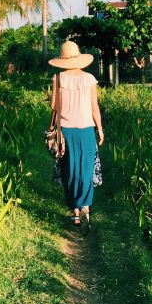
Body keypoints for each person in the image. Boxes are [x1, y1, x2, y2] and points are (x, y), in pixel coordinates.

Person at [47, 40, 104, 227]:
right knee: (86, 169)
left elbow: (53, 107)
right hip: (86, 129)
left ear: (62, 59)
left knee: (69, 169)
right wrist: (100, 129)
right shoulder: (89, 79)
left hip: (66, 131)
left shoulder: (58, 78)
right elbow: (94, 108)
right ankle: (86, 206)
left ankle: (75, 212)